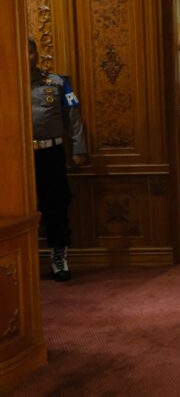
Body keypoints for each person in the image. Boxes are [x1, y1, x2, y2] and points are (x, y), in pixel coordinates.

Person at [29, 39, 88, 282]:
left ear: (37, 54)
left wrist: (79, 149)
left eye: (30, 52)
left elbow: (73, 117)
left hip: (50, 154)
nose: (26, 57)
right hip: (16, 161)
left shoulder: (56, 82)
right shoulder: (6, 82)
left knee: (56, 207)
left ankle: (59, 258)